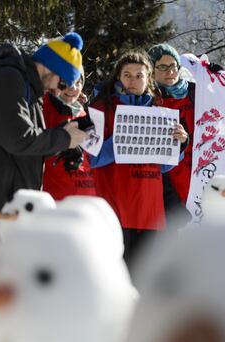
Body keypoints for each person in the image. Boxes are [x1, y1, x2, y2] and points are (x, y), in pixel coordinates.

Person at [0, 33, 87, 250]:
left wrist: (62, 139)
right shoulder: (8, 78)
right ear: (51, 67)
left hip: (8, 207)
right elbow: (18, 140)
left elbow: (24, 141)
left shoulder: (27, 86)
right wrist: (64, 138)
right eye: (62, 83)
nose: (59, 91)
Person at [88, 50, 187, 266]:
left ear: (148, 79)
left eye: (139, 75)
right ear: (118, 77)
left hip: (149, 209)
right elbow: (92, 159)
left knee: (145, 277)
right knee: (116, 274)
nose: (133, 80)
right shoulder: (101, 108)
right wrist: (124, 138)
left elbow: (163, 167)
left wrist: (178, 144)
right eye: (127, 75)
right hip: (115, 207)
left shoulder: (159, 112)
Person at [148, 44, 194, 225]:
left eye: (173, 66)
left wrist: (217, 78)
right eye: (162, 67)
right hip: (165, 179)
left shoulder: (195, 92)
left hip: (196, 174)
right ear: (151, 70)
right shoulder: (147, 99)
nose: (170, 72)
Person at [42, 72, 97, 200]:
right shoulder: (43, 106)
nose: (73, 88)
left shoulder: (83, 113)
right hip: (55, 200)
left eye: (78, 83)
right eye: (67, 82)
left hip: (86, 200)